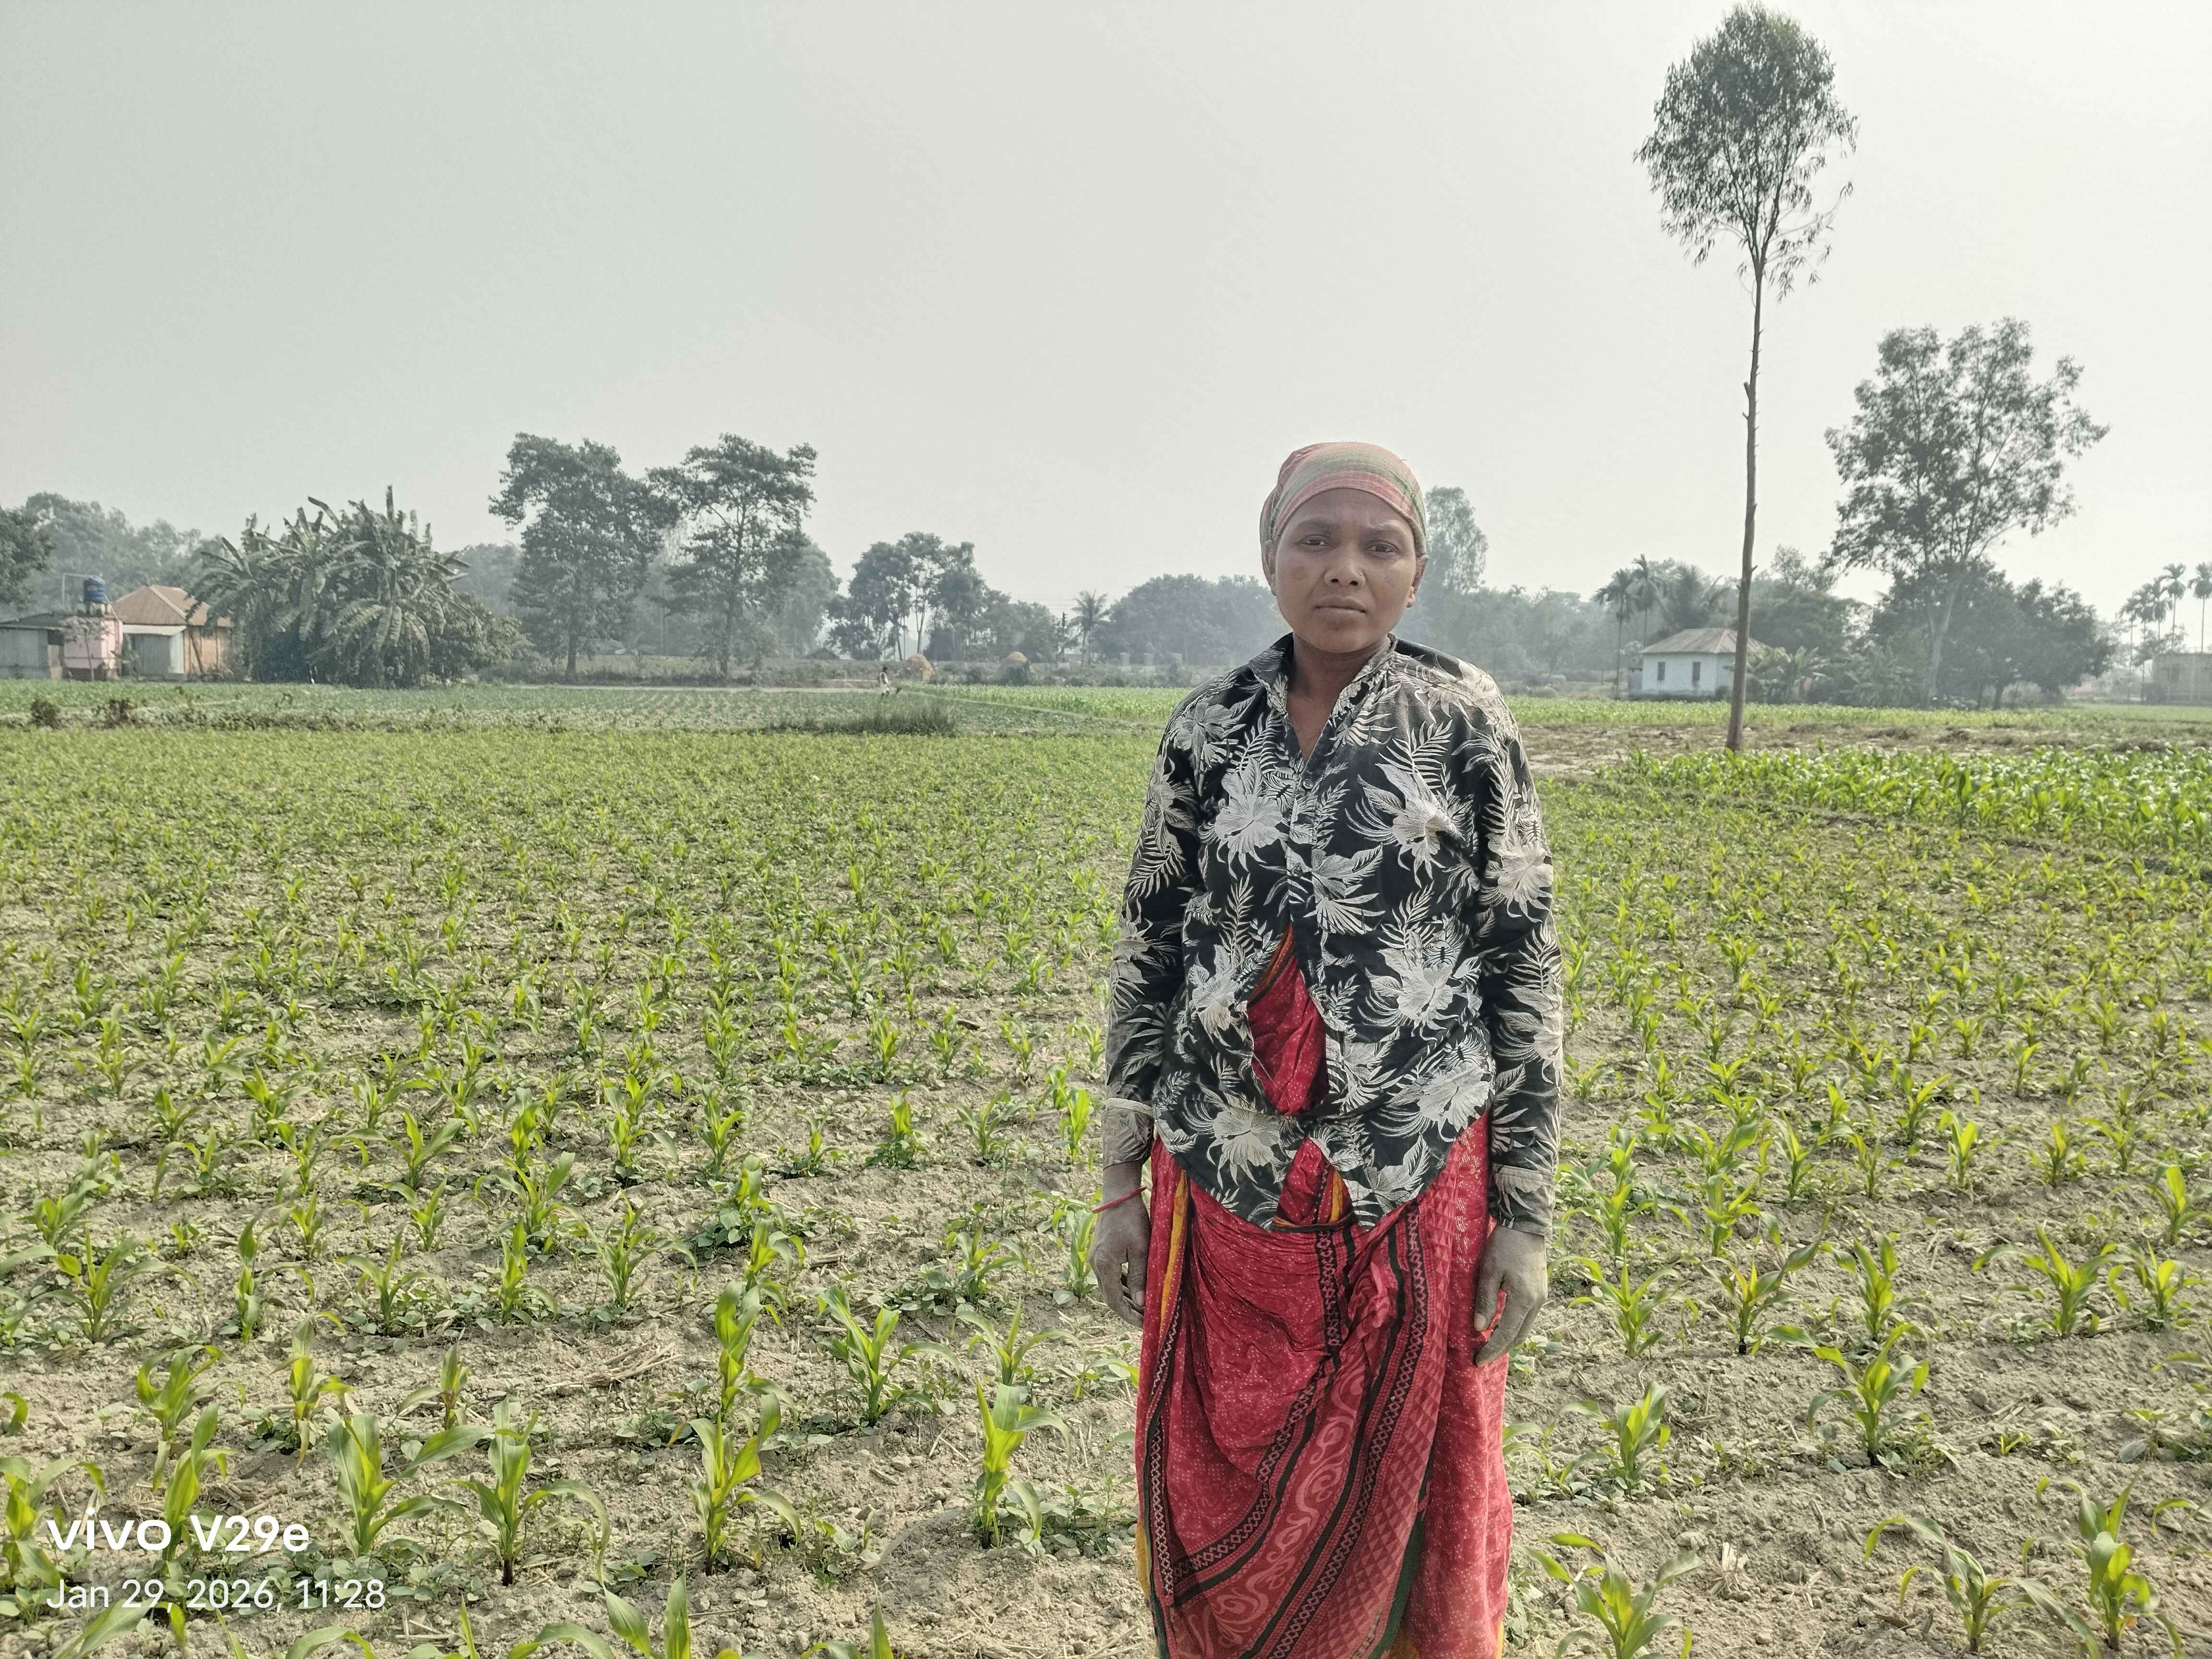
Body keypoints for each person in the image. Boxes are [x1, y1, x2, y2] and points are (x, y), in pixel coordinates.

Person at [1090, 441, 1562, 1659]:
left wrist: (1525, 1217)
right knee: (1208, 1476)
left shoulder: (1463, 722)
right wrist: (1115, 1185)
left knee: (1418, 1493)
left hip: (1413, 1170)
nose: (1344, 569)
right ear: (1269, 558)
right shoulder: (1210, 727)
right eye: (1315, 540)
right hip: (1223, 1171)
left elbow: (1522, 964)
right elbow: (1149, 949)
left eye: (1378, 546)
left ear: (1416, 574)